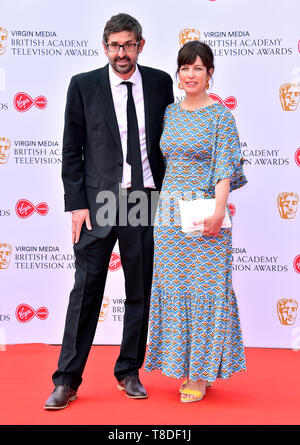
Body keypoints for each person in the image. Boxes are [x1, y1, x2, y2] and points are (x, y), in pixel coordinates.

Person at [44, 13, 173, 410]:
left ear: (140, 45)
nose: (122, 52)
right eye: (115, 45)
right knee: (85, 293)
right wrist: (76, 204)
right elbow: (72, 150)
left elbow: (168, 142)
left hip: (144, 198)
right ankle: (67, 379)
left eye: (129, 44)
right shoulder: (83, 86)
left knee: (140, 289)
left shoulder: (159, 82)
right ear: (105, 47)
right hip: (100, 201)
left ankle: (129, 370)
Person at [144, 40, 247, 403]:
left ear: (210, 74)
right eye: (185, 68)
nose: (190, 75)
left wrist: (219, 211)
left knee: (206, 292)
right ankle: (182, 364)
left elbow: (225, 168)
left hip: (205, 214)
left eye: (198, 68)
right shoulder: (170, 113)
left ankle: (201, 374)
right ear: (179, 73)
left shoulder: (221, 116)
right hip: (170, 217)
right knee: (175, 291)